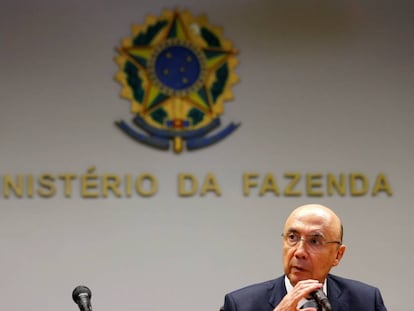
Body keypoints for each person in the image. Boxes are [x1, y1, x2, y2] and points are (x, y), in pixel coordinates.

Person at [221, 204, 387, 311]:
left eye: (315, 241)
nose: (299, 251)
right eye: (292, 237)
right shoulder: (241, 305)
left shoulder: (366, 302)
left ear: (338, 255)